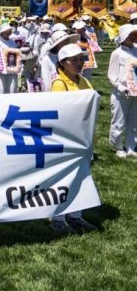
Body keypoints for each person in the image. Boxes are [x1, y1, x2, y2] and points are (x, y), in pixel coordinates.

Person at [47, 44, 99, 233]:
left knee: (81, 177)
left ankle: (76, 216)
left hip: (83, 136)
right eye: (74, 60)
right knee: (64, 179)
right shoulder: (59, 84)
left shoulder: (83, 81)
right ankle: (58, 219)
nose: (79, 63)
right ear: (63, 63)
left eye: (81, 59)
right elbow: (59, 112)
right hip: (68, 139)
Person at [107, 24, 137, 158]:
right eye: (130, 34)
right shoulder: (117, 53)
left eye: (134, 34)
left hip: (135, 92)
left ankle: (131, 146)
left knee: (134, 119)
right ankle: (118, 146)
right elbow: (111, 75)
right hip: (121, 93)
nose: (133, 37)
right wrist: (121, 87)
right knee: (119, 120)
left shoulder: (136, 50)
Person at [0, 24, 19, 94]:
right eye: (7, 31)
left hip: (12, 68)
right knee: (0, 88)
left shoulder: (13, 42)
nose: (8, 33)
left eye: (9, 31)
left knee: (11, 88)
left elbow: (16, 54)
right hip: (1, 69)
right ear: (2, 32)